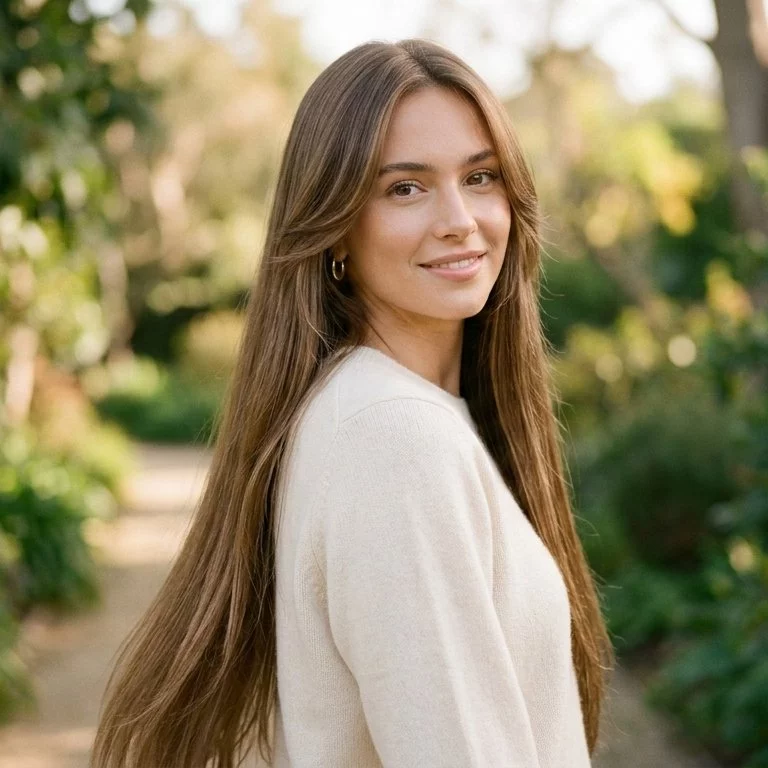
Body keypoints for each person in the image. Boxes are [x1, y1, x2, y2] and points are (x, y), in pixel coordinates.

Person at [91, 38, 615, 768]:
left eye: (481, 176)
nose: (459, 218)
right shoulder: (394, 439)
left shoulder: (374, 414)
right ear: (336, 225)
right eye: (405, 187)